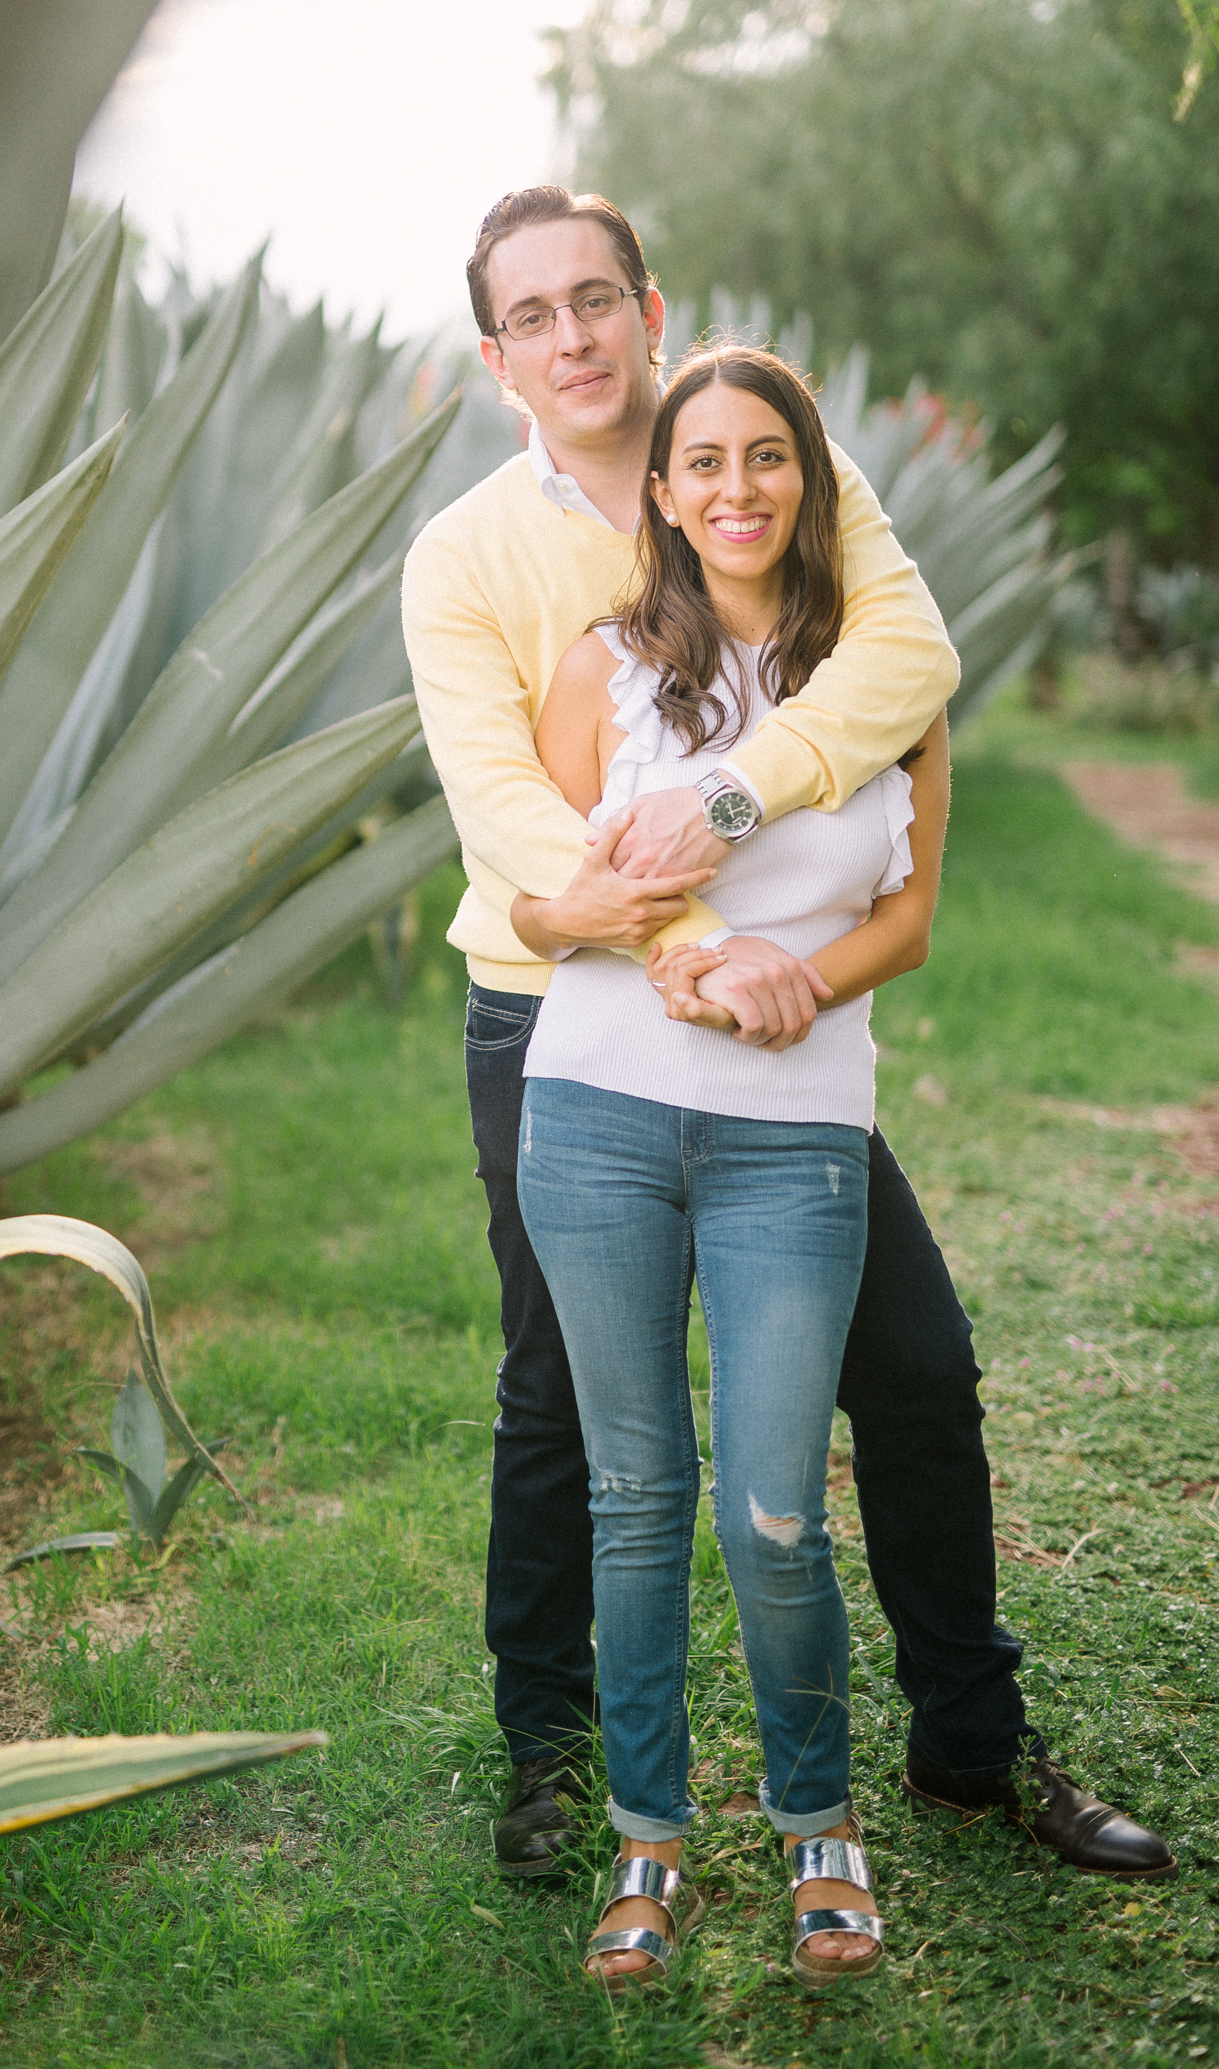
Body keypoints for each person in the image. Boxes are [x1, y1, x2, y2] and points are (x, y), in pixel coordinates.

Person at [399, 185, 1174, 1893]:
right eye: (532, 316)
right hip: (561, 1027)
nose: (573, 336)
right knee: (561, 1400)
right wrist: (694, 950)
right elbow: (515, 822)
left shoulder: (776, 465)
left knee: (911, 1366)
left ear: (648, 305)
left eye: (594, 296)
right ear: (496, 356)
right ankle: (552, 1752)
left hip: (776, 1037)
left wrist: (752, 872)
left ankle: (971, 1742)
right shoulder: (465, 555)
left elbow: (908, 657)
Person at [512, 341, 941, 1986]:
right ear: (664, 492)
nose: (737, 490)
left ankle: (815, 1822)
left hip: (796, 1136)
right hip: (600, 1113)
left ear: (812, 479)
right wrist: (699, 961)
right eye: (702, 462)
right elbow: (563, 887)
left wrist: (788, 980)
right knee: (633, 1495)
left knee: (772, 1512)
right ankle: (645, 1840)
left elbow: (904, 918)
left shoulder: (886, 678)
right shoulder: (600, 670)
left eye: (768, 458)